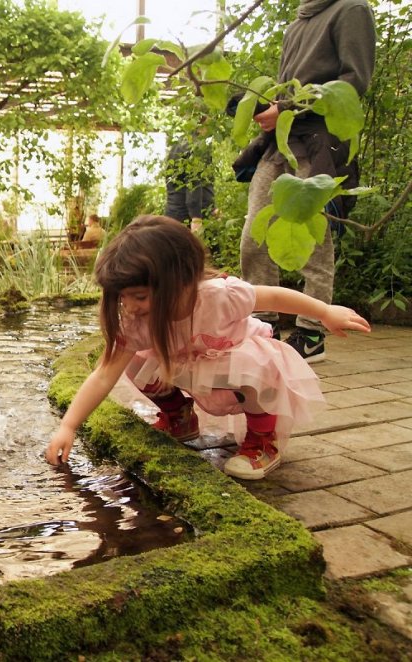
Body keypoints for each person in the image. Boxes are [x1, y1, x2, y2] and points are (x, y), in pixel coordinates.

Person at [45, 216, 371, 480]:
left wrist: (325, 312)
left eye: (139, 297)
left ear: (179, 282)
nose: (129, 307)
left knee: (255, 365)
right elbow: (104, 375)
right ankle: (179, 416)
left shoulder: (219, 296)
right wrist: (68, 426)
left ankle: (262, 441)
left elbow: (273, 296)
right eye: (123, 297)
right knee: (132, 361)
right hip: (188, 363)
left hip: (235, 358)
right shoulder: (138, 322)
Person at [239, 0, 375, 363]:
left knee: (314, 236)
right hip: (281, 142)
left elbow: (353, 82)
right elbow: (287, 89)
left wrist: (286, 108)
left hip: (320, 143)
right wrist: (267, 107)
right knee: (255, 233)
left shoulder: (351, 10)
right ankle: (262, 327)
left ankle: (312, 334)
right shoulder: (296, 23)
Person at [164, 136, 213, 232]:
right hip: (185, 216)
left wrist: (212, 207)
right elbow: (193, 182)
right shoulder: (195, 146)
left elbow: (204, 182)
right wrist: (196, 218)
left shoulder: (179, 144)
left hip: (174, 214)